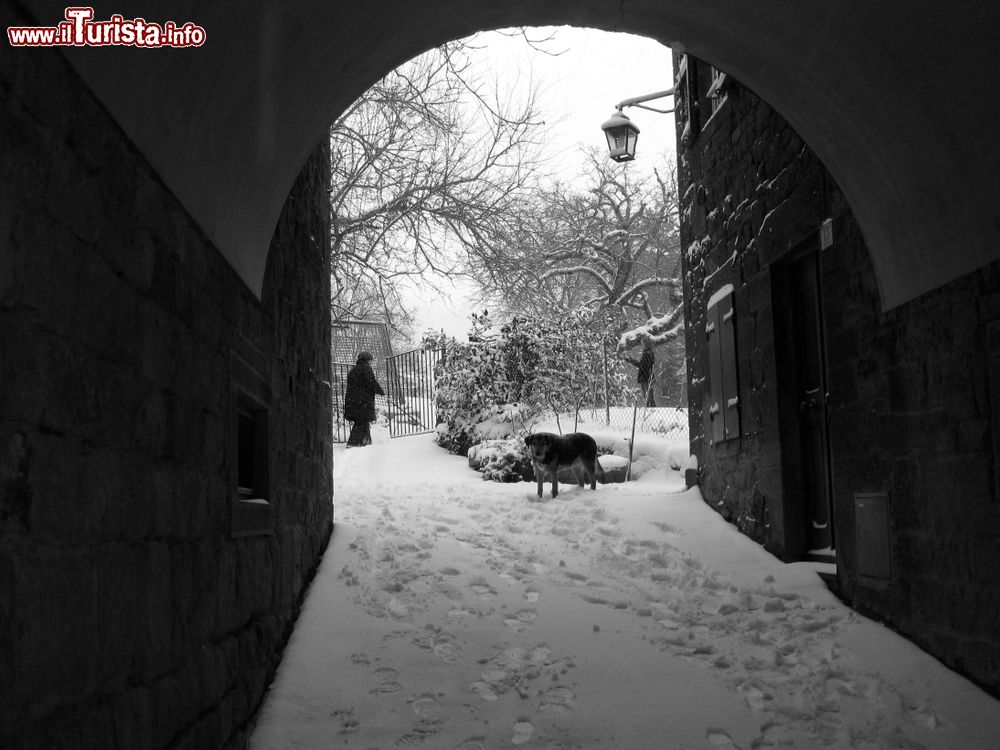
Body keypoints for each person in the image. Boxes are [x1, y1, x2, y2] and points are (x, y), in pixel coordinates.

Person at [343, 351, 384, 447]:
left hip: (353, 401)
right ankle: (353, 443)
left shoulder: (353, 371)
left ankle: (366, 441)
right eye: (370, 360)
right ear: (366, 360)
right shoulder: (366, 369)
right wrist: (381, 392)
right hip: (363, 401)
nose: (371, 363)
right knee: (361, 421)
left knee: (363, 421)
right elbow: (371, 383)